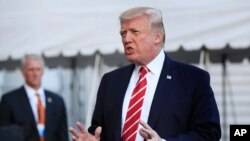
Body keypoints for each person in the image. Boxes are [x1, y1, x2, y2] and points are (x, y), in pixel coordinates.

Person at [69, 7, 221, 141]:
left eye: (134, 32)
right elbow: (99, 130)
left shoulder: (193, 79)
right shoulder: (111, 81)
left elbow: (209, 134)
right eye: (123, 33)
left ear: (157, 37)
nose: (126, 39)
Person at [0, 54, 69, 141]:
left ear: (43, 72)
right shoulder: (9, 100)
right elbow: (4, 135)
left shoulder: (57, 101)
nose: (35, 74)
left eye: (38, 69)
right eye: (31, 70)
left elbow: (63, 135)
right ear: (23, 72)